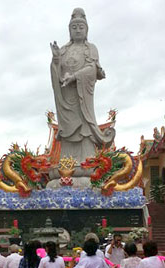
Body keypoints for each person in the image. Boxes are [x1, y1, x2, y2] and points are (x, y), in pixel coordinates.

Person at [50, 8, 115, 166]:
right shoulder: (64, 50)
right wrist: (56, 60)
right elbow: (56, 73)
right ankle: (66, 163)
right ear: (69, 30)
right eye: (74, 27)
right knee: (66, 132)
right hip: (67, 100)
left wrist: (75, 77)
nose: (78, 30)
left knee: (84, 131)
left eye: (81, 27)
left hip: (82, 99)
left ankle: (87, 161)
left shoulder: (90, 48)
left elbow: (92, 70)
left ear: (86, 30)